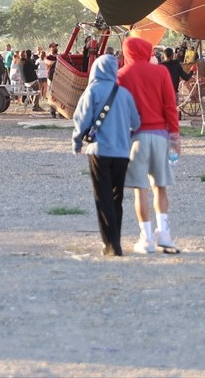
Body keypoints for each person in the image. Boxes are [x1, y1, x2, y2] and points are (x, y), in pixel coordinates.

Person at [71, 54, 140, 257]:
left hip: (99, 151)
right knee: (116, 198)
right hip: (122, 153)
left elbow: (81, 120)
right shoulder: (124, 94)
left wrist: (76, 142)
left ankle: (110, 244)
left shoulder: (92, 91)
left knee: (103, 198)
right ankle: (116, 240)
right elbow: (136, 122)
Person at [119, 37, 182, 255]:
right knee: (160, 186)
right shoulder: (161, 72)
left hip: (135, 137)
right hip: (160, 135)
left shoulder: (122, 75)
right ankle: (164, 232)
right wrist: (175, 135)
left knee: (140, 190)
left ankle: (146, 238)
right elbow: (170, 105)